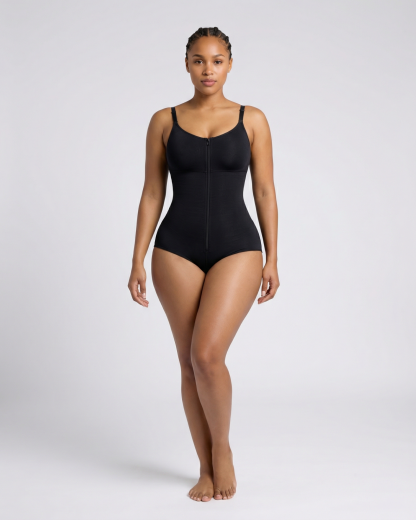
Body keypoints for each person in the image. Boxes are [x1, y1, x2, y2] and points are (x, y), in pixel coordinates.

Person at [128, 26, 279, 502]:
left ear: (230, 65)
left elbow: (264, 191)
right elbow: (153, 192)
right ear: (187, 64)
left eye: (216, 61)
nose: (207, 69)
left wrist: (274, 256)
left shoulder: (252, 119)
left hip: (239, 247)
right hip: (176, 248)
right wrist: (137, 257)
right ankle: (204, 467)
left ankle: (222, 449)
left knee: (208, 355)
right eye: (199, 60)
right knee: (189, 362)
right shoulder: (164, 120)